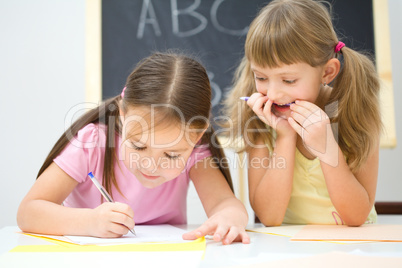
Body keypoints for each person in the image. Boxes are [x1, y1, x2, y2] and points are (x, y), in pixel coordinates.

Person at [17, 51, 250, 245]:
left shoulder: (197, 151)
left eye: (170, 155)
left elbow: (223, 203)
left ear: (197, 136)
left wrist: (231, 216)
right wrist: (89, 222)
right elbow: (29, 212)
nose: (150, 164)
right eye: (138, 147)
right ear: (122, 114)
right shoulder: (91, 143)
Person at [223, 0, 381, 226]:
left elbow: (356, 217)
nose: (274, 94)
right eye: (261, 77)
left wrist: (326, 146)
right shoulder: (261, 121)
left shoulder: (355, 112)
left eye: (289, 80)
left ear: (327, 72)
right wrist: (285, 137)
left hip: (353, 247)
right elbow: (270, 217)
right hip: (289, 247)